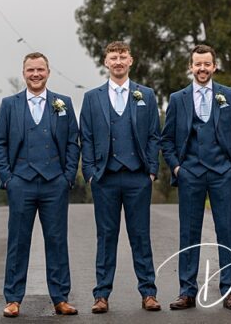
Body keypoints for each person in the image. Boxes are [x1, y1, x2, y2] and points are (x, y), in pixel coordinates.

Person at [0, 52, 81, 318]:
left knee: (56, 241)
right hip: (21, 182)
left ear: (48, 72)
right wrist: (8, 178)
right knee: (18, 241)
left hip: (55, 182)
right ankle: (13, 298)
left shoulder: (62, 103)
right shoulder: (10, 104)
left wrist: (67, 176)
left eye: (40, 70)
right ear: (24, 73)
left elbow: (72, 142)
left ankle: (60, 298)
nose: (35, 74)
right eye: (31, 70)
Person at [160, 45, 231, 310]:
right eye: (197, 64)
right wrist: (177, 168)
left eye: (206, 64)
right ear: (190, 66)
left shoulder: (228, 95)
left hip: (222, 173)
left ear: (214, 66)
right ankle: (187, 291)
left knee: (226, 232)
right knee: (189, 233)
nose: (202, 69)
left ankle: (230, 291)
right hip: (191, 173)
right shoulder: (178, 98)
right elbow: (167, 139)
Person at [79, 41, 162, 313]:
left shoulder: (146, 95)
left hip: (138, 177)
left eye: (122, 57)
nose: (118, 61)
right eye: (113, 57)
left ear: (131, 61)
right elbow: (87, 136)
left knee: (141, 236)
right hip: (105, 177)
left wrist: (151, 169)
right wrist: (90, 172)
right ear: (106, 62)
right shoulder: (92, 98)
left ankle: (148, 292)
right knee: (106, 236)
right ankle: (101, 295)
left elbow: (153, 134)